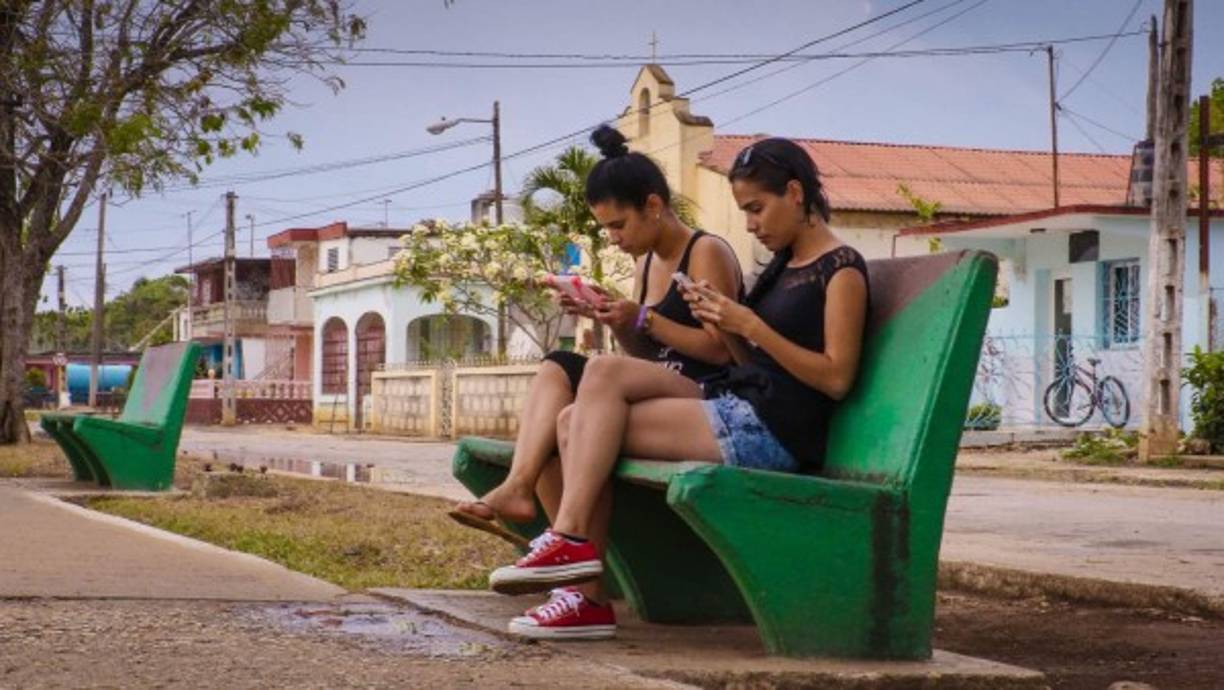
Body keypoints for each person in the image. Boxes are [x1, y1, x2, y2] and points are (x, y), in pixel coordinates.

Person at [491, 138, 869, 641]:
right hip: (743, 409)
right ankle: (583, 593)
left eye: (757, 209)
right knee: (572, 414)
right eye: (745, 212)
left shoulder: (841, 268)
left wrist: (748, 325)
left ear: (796, 193)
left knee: (594, 388)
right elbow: (746, 361)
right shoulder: (780, 268)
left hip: (776, 432)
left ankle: (571, 544)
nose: (752, 224)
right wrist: (727, 323)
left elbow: (837, 378)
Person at [448, 124, 742, 548]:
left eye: (619, 225)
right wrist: (616, 319)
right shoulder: (646, 264)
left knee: (586, 395)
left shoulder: (706, 251)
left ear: (654, 205)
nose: (614, 238)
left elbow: (720, 350)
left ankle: (565, 541)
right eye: (606, 228)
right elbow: (646, 353)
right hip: (658, 385)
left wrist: (645, 318)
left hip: (703, 395)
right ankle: (519, 484)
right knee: (558, 367)